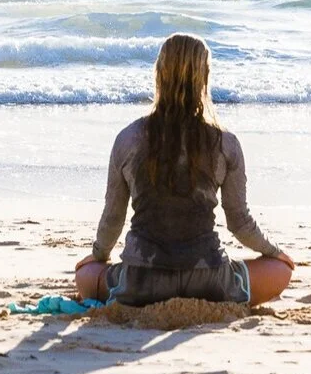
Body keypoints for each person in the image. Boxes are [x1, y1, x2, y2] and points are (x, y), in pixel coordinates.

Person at [75, 33, 295, 306]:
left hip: (140, 281)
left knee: (84, 274)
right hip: (208, 279)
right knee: (281, 269)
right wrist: (274, 251)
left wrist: (98, 256)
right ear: (204, 77)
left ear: (159, 73)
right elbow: (239, 222)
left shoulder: (128, 138)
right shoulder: (225, 142)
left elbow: (113, 218)